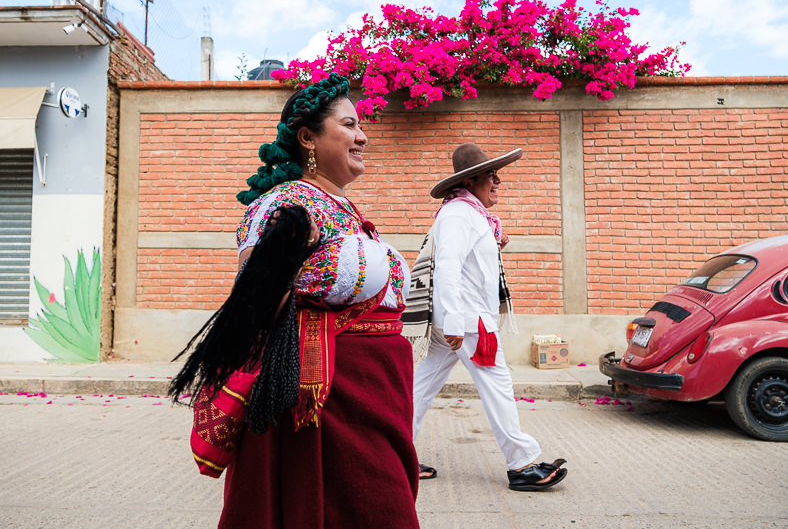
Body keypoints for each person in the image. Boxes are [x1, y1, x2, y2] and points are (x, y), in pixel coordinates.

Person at [169, 73, 420, 528]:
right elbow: (254, 305)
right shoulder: (287, 206)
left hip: (374, 392)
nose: (362, 136)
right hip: (323, 402)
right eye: (349, 125)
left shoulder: (343, 208)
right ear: (308, 137)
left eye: (360, 125)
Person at [404, 142, 568, 492]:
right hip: (467, 322)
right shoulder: (460, 215)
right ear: (472, 180)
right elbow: (447, 268)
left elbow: (467, 265)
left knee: (420, 388)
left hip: (459, 319)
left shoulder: (469, 215)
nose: (498, 182)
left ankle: (396, 455)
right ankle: (522, 464)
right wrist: (452, 323)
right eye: (492, 176)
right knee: (498, 387)